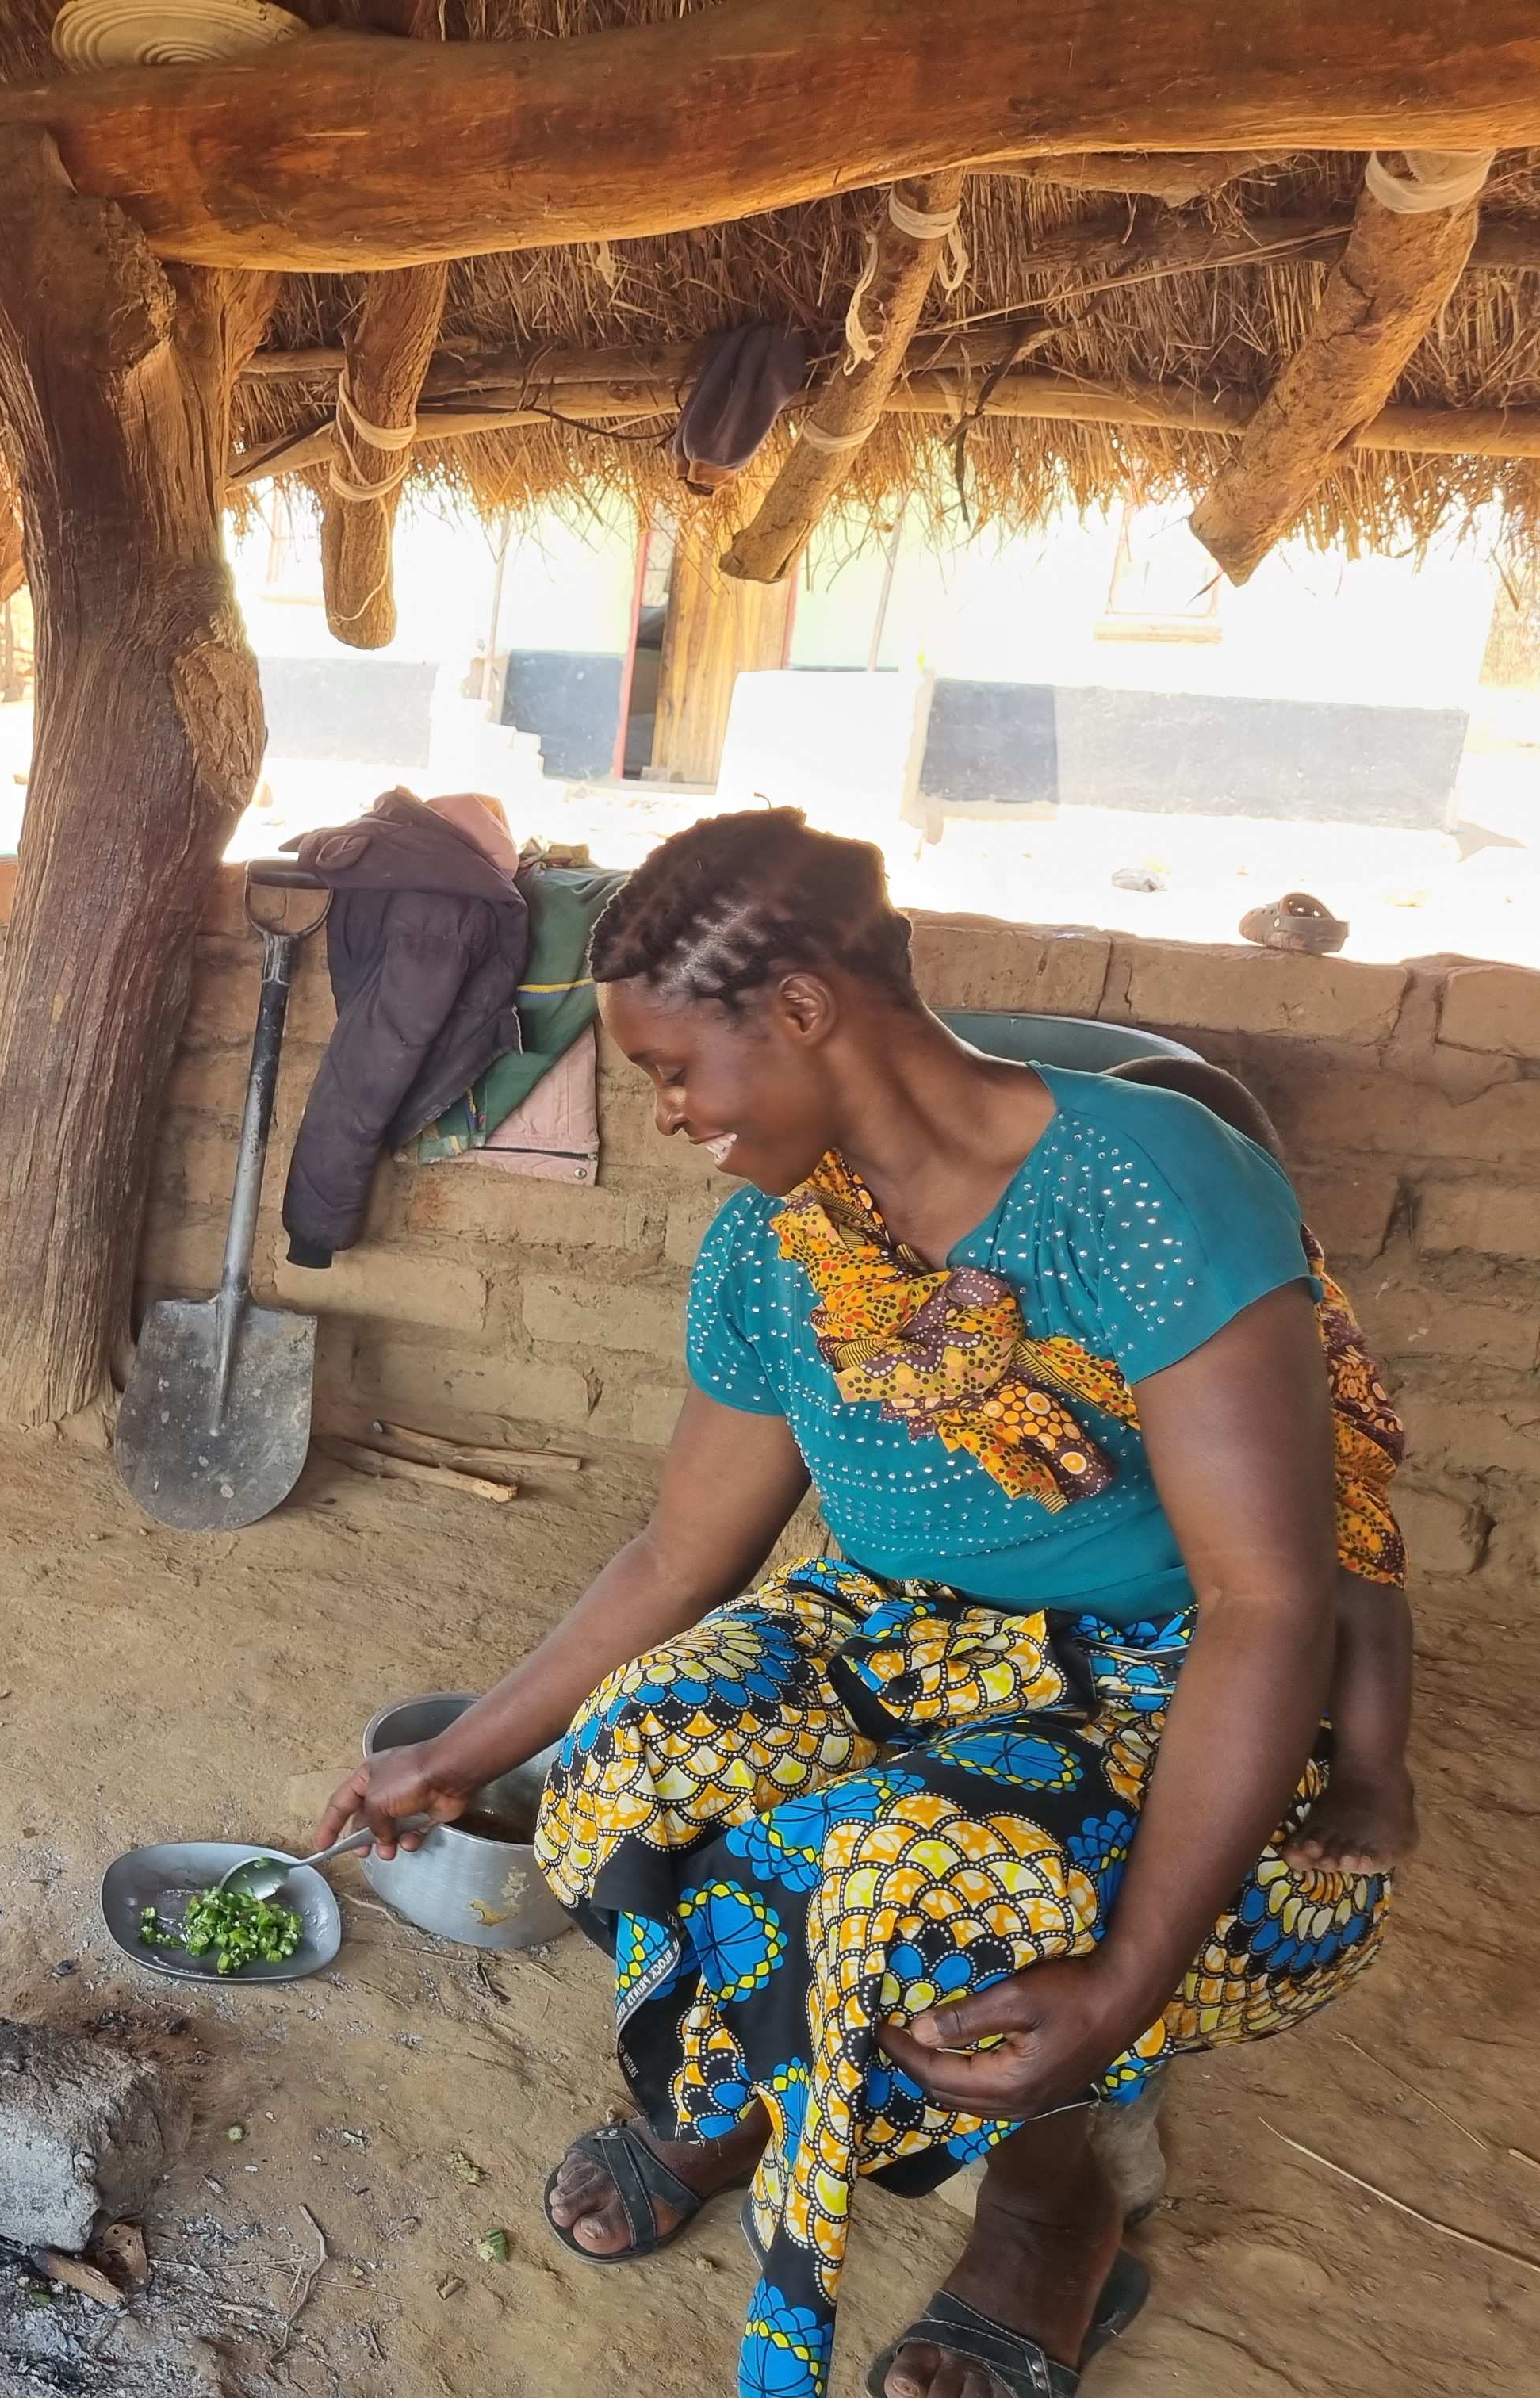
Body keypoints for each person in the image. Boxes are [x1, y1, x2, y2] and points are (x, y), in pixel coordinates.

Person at [312, 810, 1387, 2398]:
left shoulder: (1146, 1191)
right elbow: (682, 1559)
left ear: (804, 1009)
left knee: (889, 1882)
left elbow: (1267, 1602)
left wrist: (1129, 1972)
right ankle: (741, 2087)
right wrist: (461, 1753)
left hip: (1161, 1672)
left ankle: (1052, 2196)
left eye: (676, 1069)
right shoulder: (777, 1244)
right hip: (897, 1630)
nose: (669, 1113)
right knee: (626, 1762)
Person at [1101, 1054, 1416, 1873]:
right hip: (1200, 1479)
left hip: (1306, 1455)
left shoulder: (1271, 1273)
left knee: (1355, 1578)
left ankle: (1374, 1777)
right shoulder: (1112, 1254)